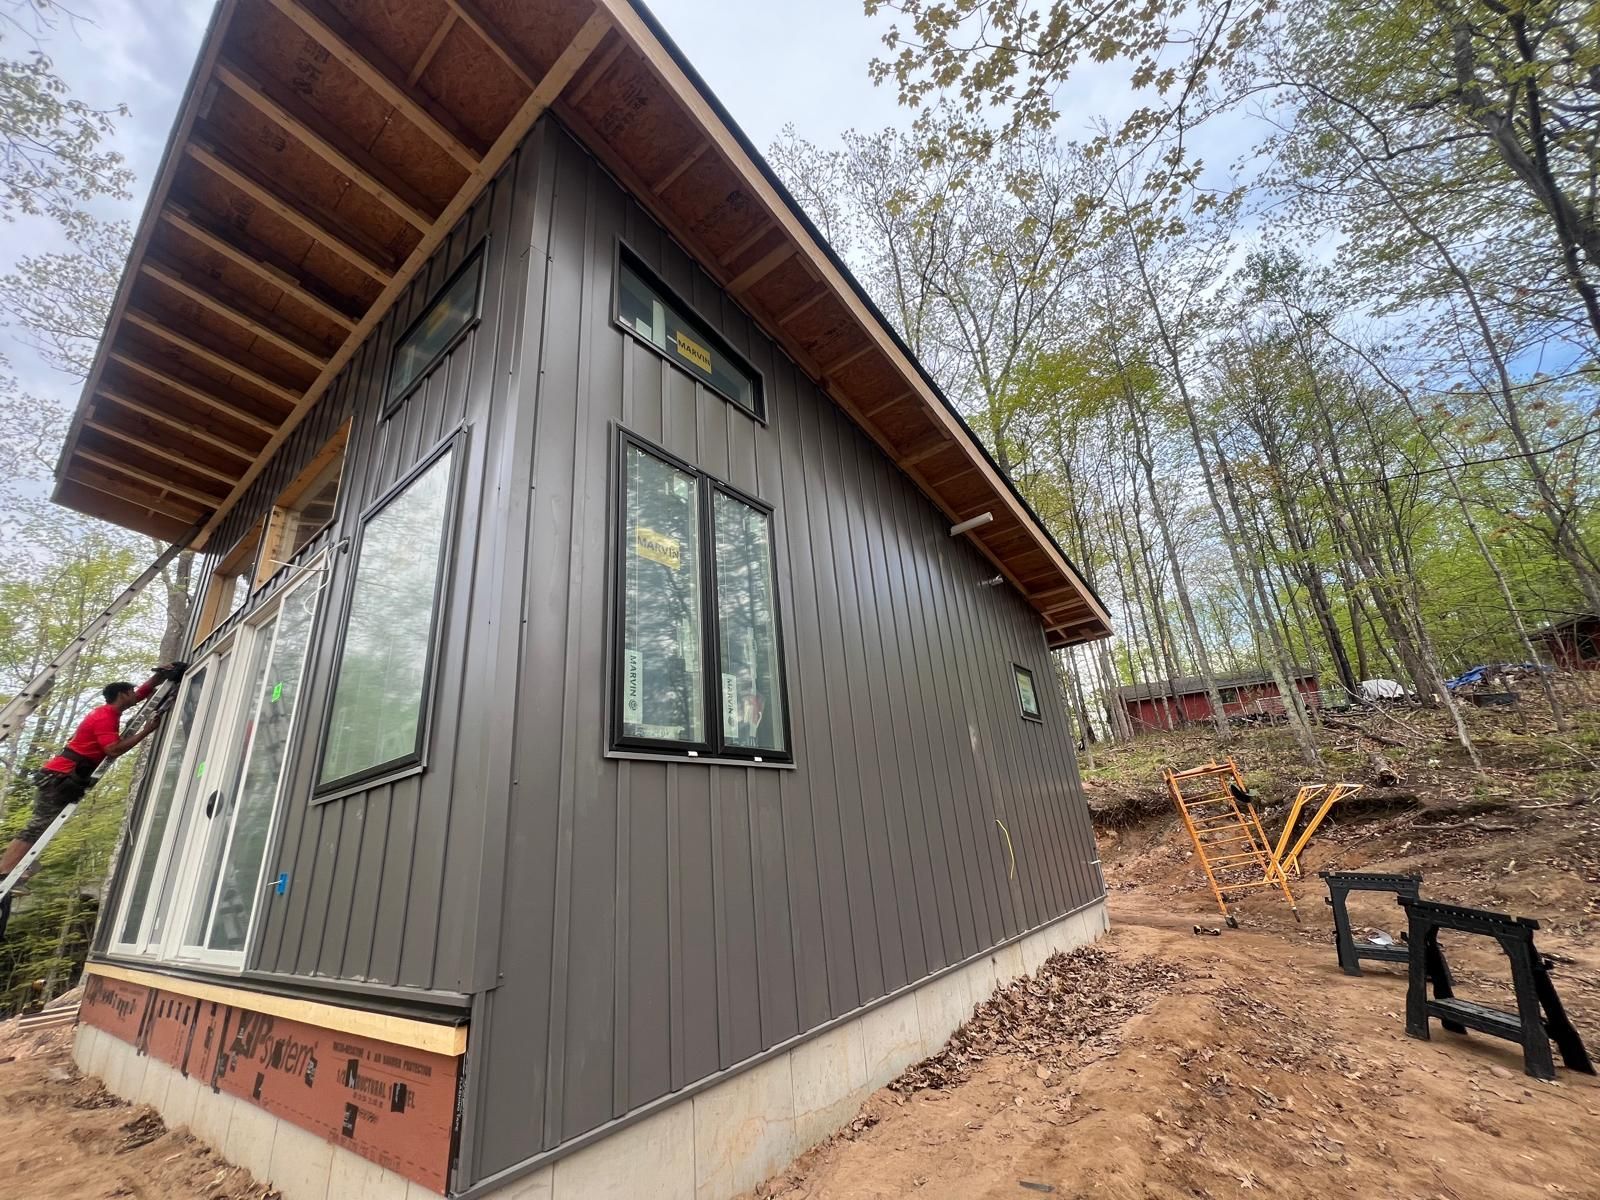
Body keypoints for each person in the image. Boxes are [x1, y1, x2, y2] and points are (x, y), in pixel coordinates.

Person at [0, 664, 183, 883]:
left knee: (41, 824)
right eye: (131, 692)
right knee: (38, 825)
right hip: (60, 777)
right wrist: (147, 730)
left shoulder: (110, 711)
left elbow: (140, 694)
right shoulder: (104, 717)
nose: (136, 695)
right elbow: (113, 750)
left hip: (61, 775)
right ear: (122, 694)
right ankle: (5, 870)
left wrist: (158, 678)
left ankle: (13, 867)